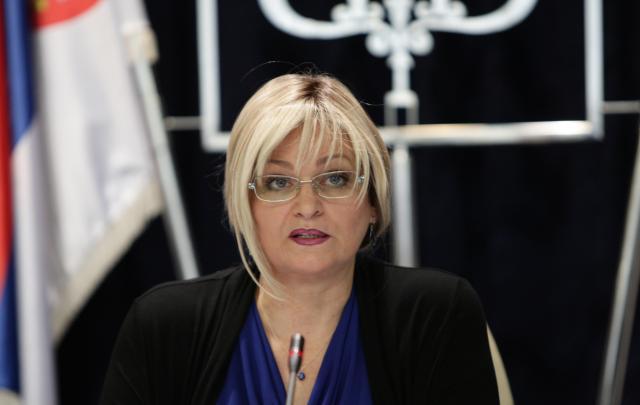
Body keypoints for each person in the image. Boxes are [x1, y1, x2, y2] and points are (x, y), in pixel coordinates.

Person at [100, 73, 499, 404]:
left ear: (373, 202)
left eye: (336, 179)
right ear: (244, 204)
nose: (308, 207)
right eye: (278, 182)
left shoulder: (435, 312)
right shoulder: (164, 325)